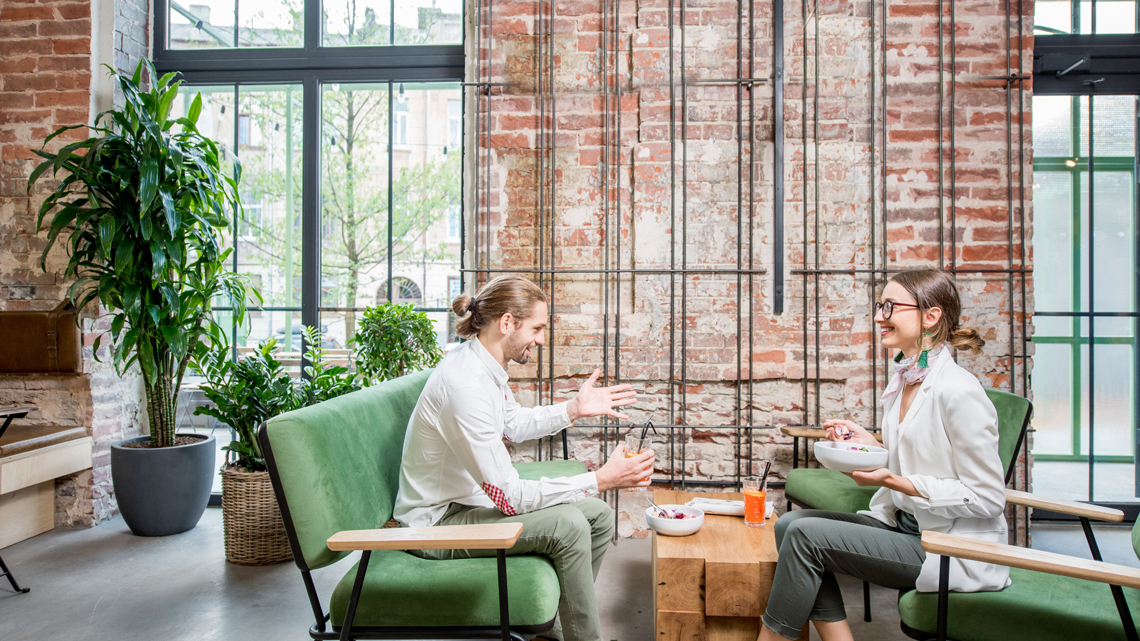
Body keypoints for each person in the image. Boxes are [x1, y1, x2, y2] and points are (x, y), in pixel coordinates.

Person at [394, 275, 654, 641]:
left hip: (465, 502)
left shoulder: (483, 365)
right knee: (568, 524)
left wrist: (574, 409)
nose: (542, 339)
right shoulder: (465, 386)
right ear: (506, 323)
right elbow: (509, 498)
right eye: (537, 328)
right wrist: (601, 479)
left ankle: (558, 630)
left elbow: (512, 423)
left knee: (597, 515)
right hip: (436, 524)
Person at [758, 268, 1011, 641]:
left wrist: (895, 480)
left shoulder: (960, 392)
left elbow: (988, 498)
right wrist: (868, 446)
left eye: (890, 306)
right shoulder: (904, 380)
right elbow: (917, 456)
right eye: (879, 306)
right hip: (902, 524)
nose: (879, 316)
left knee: (806, 536)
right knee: (788, 524)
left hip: (944, 546)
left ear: (930, 316)